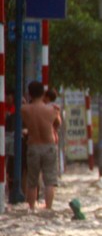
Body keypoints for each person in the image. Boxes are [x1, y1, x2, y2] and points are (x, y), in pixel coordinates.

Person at [21, 80, 60, 211]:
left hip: (33, 146)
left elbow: (25, 120)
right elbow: (57, 124)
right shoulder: (51, 110)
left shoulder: (25, 109)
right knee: (49, 180)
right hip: (48, 145)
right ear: (43, 93)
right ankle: (48, 208)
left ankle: (31, 208)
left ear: (29, 94)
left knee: (32, 181)